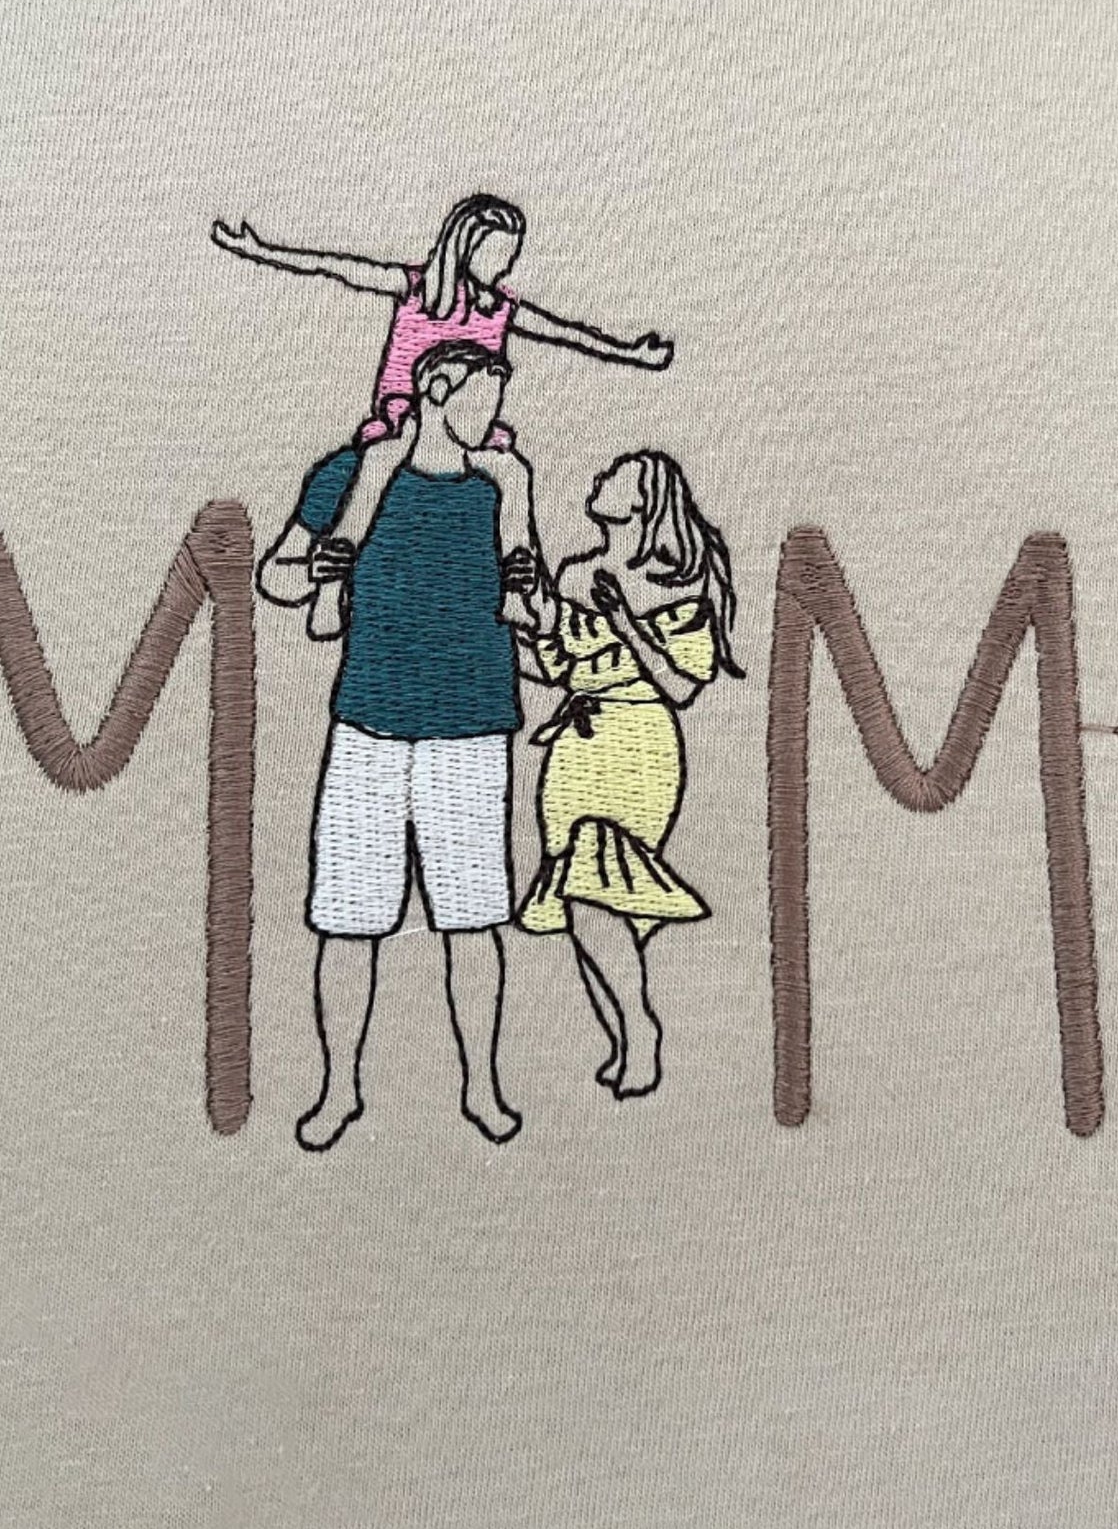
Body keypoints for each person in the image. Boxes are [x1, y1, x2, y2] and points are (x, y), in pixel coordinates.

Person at [265, 340, 546, 1149]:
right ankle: (338, 1088)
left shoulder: (502, 485)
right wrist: (319, 568)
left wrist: (531, 590)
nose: (492, 416)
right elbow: (277, 575)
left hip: (472, 724)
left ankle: (482, 1087)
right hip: (370, 723)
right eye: (480, 397)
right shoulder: (354, 473)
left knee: (474, 918)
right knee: (348, 918)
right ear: (438, 390)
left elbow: (530, 607)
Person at [513, 452, 741, 1098]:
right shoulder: (575, 571)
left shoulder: (679, 581)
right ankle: (621, 1037)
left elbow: (681, 684)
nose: (600, 478)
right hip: (573, 751)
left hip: (636, 744)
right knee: (582, 901)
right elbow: (555, 668)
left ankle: (639, 1032)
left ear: (644, 502)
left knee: (593, 887)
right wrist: (525, 608)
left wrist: (624, 622)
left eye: (617, 475)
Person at [210, 194, 675, 456]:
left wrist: (629, 352)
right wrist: (261, 251)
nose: (505, 267)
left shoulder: (500, 309)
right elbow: (335, 267)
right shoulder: (416, 289)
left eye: (511, 257)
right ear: (466, 247)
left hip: (470, 428)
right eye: (498, 255)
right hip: (405, 420)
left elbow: (565, 332)